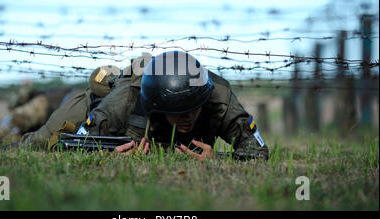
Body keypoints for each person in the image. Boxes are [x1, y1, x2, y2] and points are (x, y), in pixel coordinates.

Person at [61, 51, 269, 160]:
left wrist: (219, 160)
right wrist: (108, 155)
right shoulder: (126, 99)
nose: (187, 118)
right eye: (178, 112)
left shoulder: (218, 95)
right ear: (157, 106)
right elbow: (73, 145)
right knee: (39, 141)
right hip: (102, 98)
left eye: (193, 109)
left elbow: (257, 151)